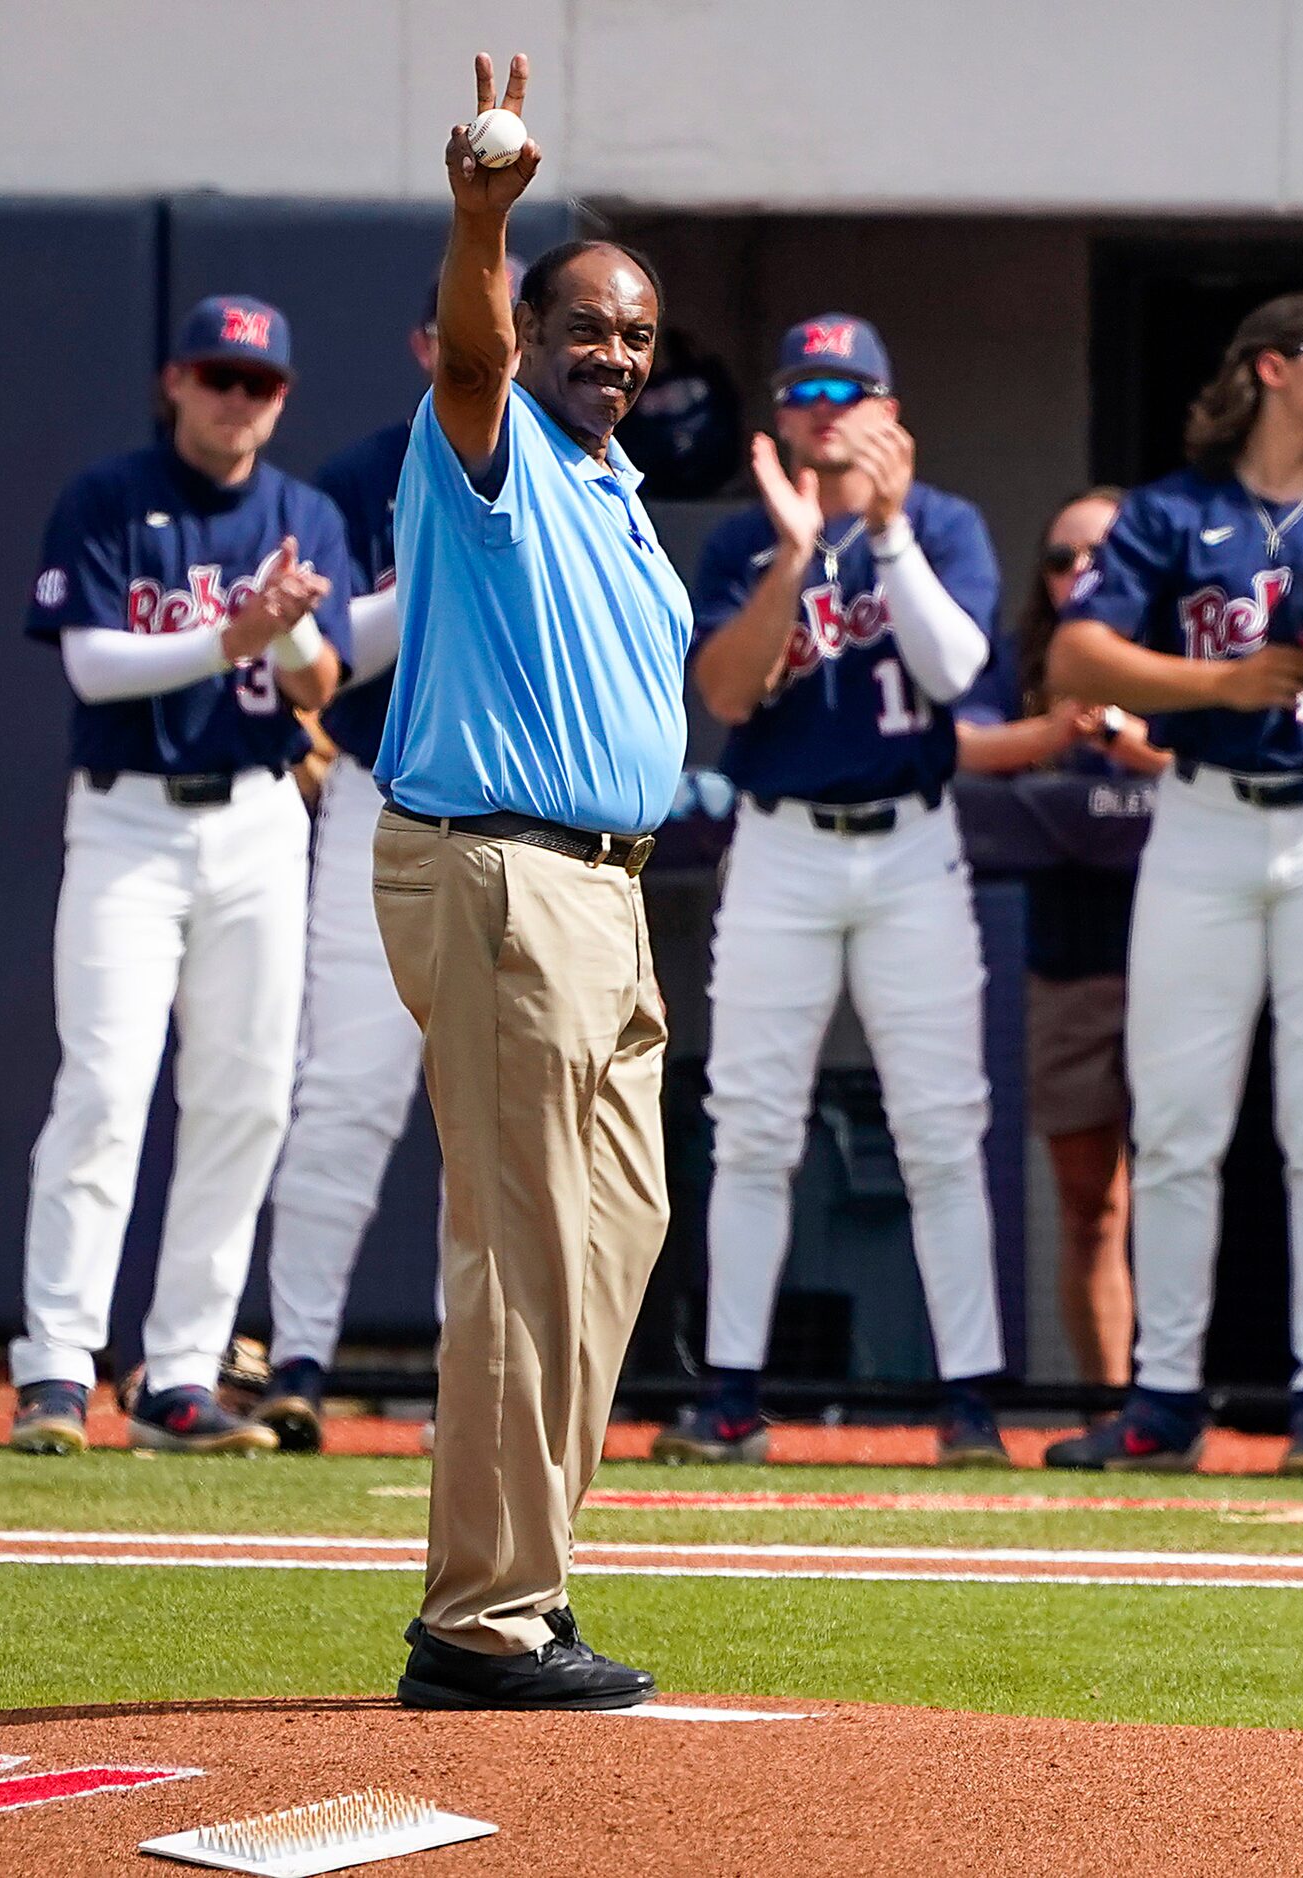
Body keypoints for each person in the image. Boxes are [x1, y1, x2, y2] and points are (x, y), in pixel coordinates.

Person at [375, 55, 687, 1709]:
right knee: (518, 1243)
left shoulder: (615, 487)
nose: (611, 352)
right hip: (500, 869)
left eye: (635, 331)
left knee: (613, 1234)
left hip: (608, 893)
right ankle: (480, 1617)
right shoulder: (480, 439)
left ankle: (527, 1581)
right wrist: (482, 223)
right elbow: (481, 353)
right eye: (588, 326)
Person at [1043, 292, 1303, 1476]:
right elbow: (1075, 655)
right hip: (1207, 817)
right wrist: (1218, 685)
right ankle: (1164, 1400)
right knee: (1175, 1123)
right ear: (1272, 370)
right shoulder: (1174, 511)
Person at [657, 315, 1013, 1468]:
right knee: (752, 1127)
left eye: (849, 388)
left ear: (890, 410)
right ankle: (734, 1397)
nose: (826, 409)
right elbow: (726, 690)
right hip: (783, 844)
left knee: (941, 1129)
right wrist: (798, 555)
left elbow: (958, 673)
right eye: (804, 388)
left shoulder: (945, 523)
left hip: (911, 843)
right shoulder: (741, 544)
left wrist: (890, 532)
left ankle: (969, 1406)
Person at [7, 292, 349, 1459]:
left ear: (283, 398)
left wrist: (291, 627)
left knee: (246, 1095)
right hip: (129, 822)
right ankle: (55, 1365)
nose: (235, 398)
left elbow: (319, 686)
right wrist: (235, 635)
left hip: (258, 817)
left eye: (256, 383)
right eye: (218, 377)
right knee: (104, 1086)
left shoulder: (301, 513)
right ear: (175, 381)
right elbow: (94, 669)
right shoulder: (107, 497)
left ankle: (183, 1373)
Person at [257, 278, 513, 1450]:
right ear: (427, 343)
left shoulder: (575, 465)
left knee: (499, 1120)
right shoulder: (355, 479)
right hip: (381, 789)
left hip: (523, 813)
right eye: (460, 332)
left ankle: (479, 1383)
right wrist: (431, 584)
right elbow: (322, 660)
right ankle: (298, 1358)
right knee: (349, 1091)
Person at [973, 488, 1167, 1388]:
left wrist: (1136, 743)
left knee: (1184, 1190)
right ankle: (1109, 1407)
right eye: (1060, 560)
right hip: (1071, 953)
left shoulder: (1187, 644)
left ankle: (1182, 1404)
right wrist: (1051, 732)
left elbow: (1260, 755)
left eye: (1099, 555)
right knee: (1092, 1204)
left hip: (1189, 954)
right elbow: (953, 742)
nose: (1078, 574)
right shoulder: (1020, 660)